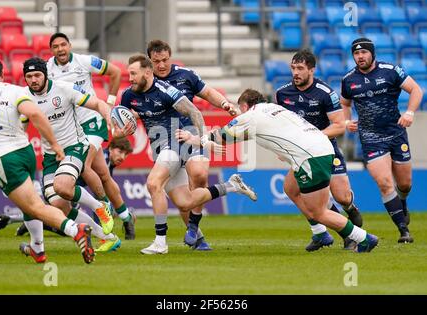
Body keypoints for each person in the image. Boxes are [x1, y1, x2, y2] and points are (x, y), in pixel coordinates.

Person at [177, 89, 379, 253]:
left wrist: (195, 139)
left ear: (246, 105)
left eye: (241, 109)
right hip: (320, 148)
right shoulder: (273, 108)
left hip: (310, 157)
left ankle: (363, 238)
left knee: (319, 211)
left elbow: (222, 136)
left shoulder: (252, 116)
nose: (240, 112)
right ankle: (319, 234)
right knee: (290, 188)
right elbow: (248, 134)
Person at [119, 54, 257, 254]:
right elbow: (120, 119)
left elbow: (195, 112)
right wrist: (122, 129)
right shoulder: (128, 95)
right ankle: (230, 186)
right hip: (160, 149)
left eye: (133, 73)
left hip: (176, 143)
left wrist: (202, 140)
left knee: (153, 183)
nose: (129, 77)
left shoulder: (166, 91)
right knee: (185, 202)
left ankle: (160, 242)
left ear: (147, 72)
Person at [0, 56, 94, 264]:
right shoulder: (14, 90)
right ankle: (37, 249)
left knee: (35, 206)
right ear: (2, 73)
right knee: (29, 204)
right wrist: (54, 144)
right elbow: (35, 114)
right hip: (25, 152)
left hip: (3, 158)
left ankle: (77, 230)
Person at [146, 39, 239, 250]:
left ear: (170, 57)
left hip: (191, 134)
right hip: (163, 141)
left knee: (199, 175)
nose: (161, 65)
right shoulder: (147, 82)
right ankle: (198, 238)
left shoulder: (185, 75)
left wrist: (225, 104)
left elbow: (207, 93)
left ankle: (193, 228)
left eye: (165, 60)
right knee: (183, 200)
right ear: (150, 61)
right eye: (156, 61)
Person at [23, 57, 121, 253]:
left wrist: (108, 115)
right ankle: (108, 237)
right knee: (59, 204)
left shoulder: (63, 88)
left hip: (74, 146)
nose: (33, 80)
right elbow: (21, 126)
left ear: (45, 75)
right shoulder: (23, 97)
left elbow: (97, 103)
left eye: (37, 75)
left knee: (63, 187)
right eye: (29, 76)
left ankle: (100, 207)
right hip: (51, 155)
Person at [275, 49, 363, 251]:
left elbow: (339, 126)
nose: (295, 72)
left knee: (341, 197)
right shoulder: (283, 93)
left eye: (300, 68)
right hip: (301, 155)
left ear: (312, 70)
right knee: (291, 189)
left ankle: (349, 208)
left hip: (325, 151)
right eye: (293, 68)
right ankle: (321, 233)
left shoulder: (326, 93)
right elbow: (282, 125)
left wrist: (311, 139)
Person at [47, 33, 136, 232]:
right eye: (55, 46)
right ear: (51, 50)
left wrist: (111, 102)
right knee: (103, 174)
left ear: (69, 45)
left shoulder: (84, 61)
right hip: (71, 128)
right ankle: (126, 217)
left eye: (63, 45)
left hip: (92, 121)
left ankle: (104, 208)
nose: (60, 49)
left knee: (84, 165)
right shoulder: (46, 69)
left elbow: (115, 72)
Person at [341, 38, 423, 243]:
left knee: (404, 184)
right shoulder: (349, 79)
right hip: (370, 138)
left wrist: (410, 112)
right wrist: (346, 121)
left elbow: (416, 90)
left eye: (364, 53)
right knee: (385, 183)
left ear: (372, 54)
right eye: (356, 54)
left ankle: (402, 202)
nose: (360, 57)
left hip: (396, 134)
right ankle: (403, 230)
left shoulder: (391, 71)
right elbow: (345, 103)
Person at [0, 137, 135, 240]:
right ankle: (28, 224)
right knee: (65, 221)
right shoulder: (101, 159)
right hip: (61, 185)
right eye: (120, 151)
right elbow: (99, 189)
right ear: (110, 148)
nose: (122, 156)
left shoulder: (107, 162)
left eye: (126, 154)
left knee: (61, 218)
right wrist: (109, 211)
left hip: (67, 188)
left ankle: (12, 220)